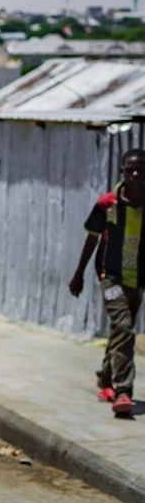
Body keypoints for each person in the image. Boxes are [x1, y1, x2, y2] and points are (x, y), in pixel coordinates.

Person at [69, 148, 145, 417]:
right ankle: (123, 392)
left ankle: (105, 377)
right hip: (109, 277)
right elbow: (91, 238)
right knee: (124, 326)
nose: (136, 174)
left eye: (141, 169)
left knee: (119, 331)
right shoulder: (107, 204)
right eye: (130, 169)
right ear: (122, 172)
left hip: (137, 280)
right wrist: (78, 274)